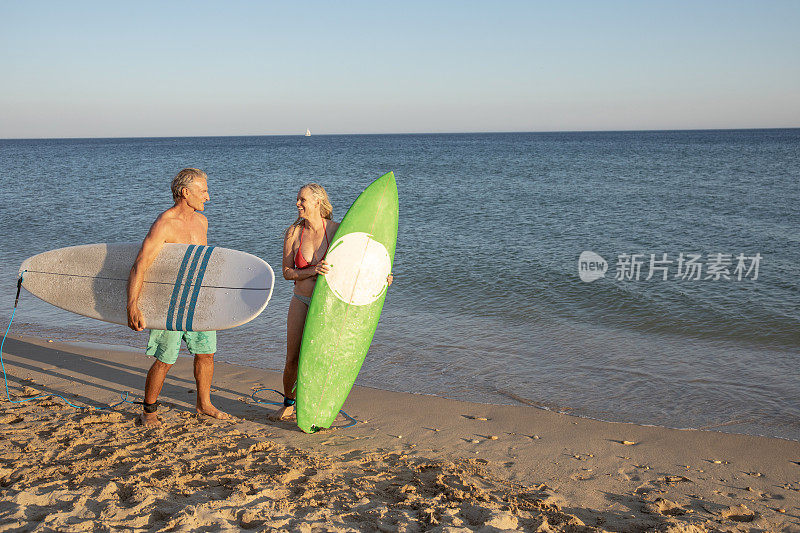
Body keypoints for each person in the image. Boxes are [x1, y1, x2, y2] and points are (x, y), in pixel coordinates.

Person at [271, 183, 392, 421]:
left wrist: (381, 276)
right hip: (301, 299)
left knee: (321, 357)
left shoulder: (338, 230)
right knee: (292, 358)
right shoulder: (293, 233)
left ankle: (315, 404)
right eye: (298, 199)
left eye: (302, 200)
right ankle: (288, 401)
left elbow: (362, 259)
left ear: (318, 202)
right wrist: (311, 271)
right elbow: (287, 272)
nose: (298, 204)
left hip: (330, 304)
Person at [127, 168, 230, 427]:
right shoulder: (165, 224)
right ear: (186, 193)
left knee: (206, 353)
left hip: (198, 300)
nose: (208, 196)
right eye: (203, 191)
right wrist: (133, 305)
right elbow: (140, 265)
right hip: (170, 302)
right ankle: (149, 411)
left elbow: (201, 263)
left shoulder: (202, 222)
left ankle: (203, 403)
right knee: (165, 358)